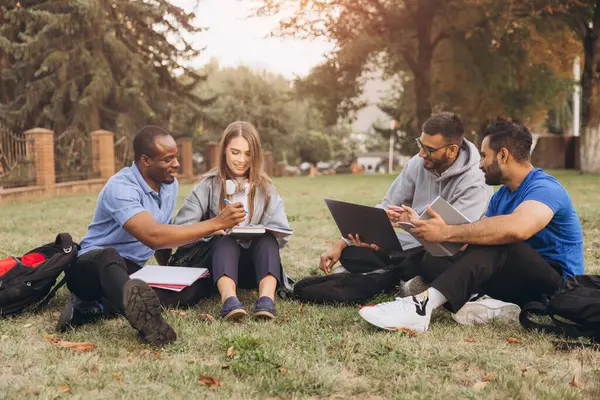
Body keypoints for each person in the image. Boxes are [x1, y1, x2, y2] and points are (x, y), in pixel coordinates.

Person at [358, 119, 585, 332]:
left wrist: (447, 231)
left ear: (503, 155)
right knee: (435, 260)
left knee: (503, 241)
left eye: (485, 155)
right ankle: (485, 305)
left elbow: (517, 229)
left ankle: (421, 307)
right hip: (517, 281)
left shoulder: (545, 188)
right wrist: (419, 225)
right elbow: (472, 245)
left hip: (556, 288)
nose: (480, 163)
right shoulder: (502, 196)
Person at [57, 125, 247, 346]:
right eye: (167, 159)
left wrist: (170, 272)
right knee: (109, 257)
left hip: (130, 269)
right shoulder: (120, 188)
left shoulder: (169, 184)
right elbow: (153, 236)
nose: (176, 164)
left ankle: (93, 308)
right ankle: (150, 325)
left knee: (195, 287)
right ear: (146, 161)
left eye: (175, 157)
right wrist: (215, 223)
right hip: (92, 267)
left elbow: (164, 232)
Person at [319, 112, 493, 281]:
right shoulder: (419, 163)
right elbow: (386, 207)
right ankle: (398, 276)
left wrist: (410, 222)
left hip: (443, 252)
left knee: (432, 263)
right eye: (420, 144)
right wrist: (342, 244)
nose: (421, 154)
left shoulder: (475, 181)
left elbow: (453, 241)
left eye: (429, 149)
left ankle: (390, 275)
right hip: (410, 246)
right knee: (352, 255)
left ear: (452, 150)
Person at [171, 121, 292, 320]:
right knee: (226, 240)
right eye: (235, 152)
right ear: (224, 151)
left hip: (255, 267)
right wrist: (212, 228)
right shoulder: (207, 186)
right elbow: (181, 228)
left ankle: (266, 300)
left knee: (267, 240)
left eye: (248, 153)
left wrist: (265, 232)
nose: (242, 160)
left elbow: (282, 233)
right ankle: (229, 301)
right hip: (219, 265)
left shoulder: (266, 189)